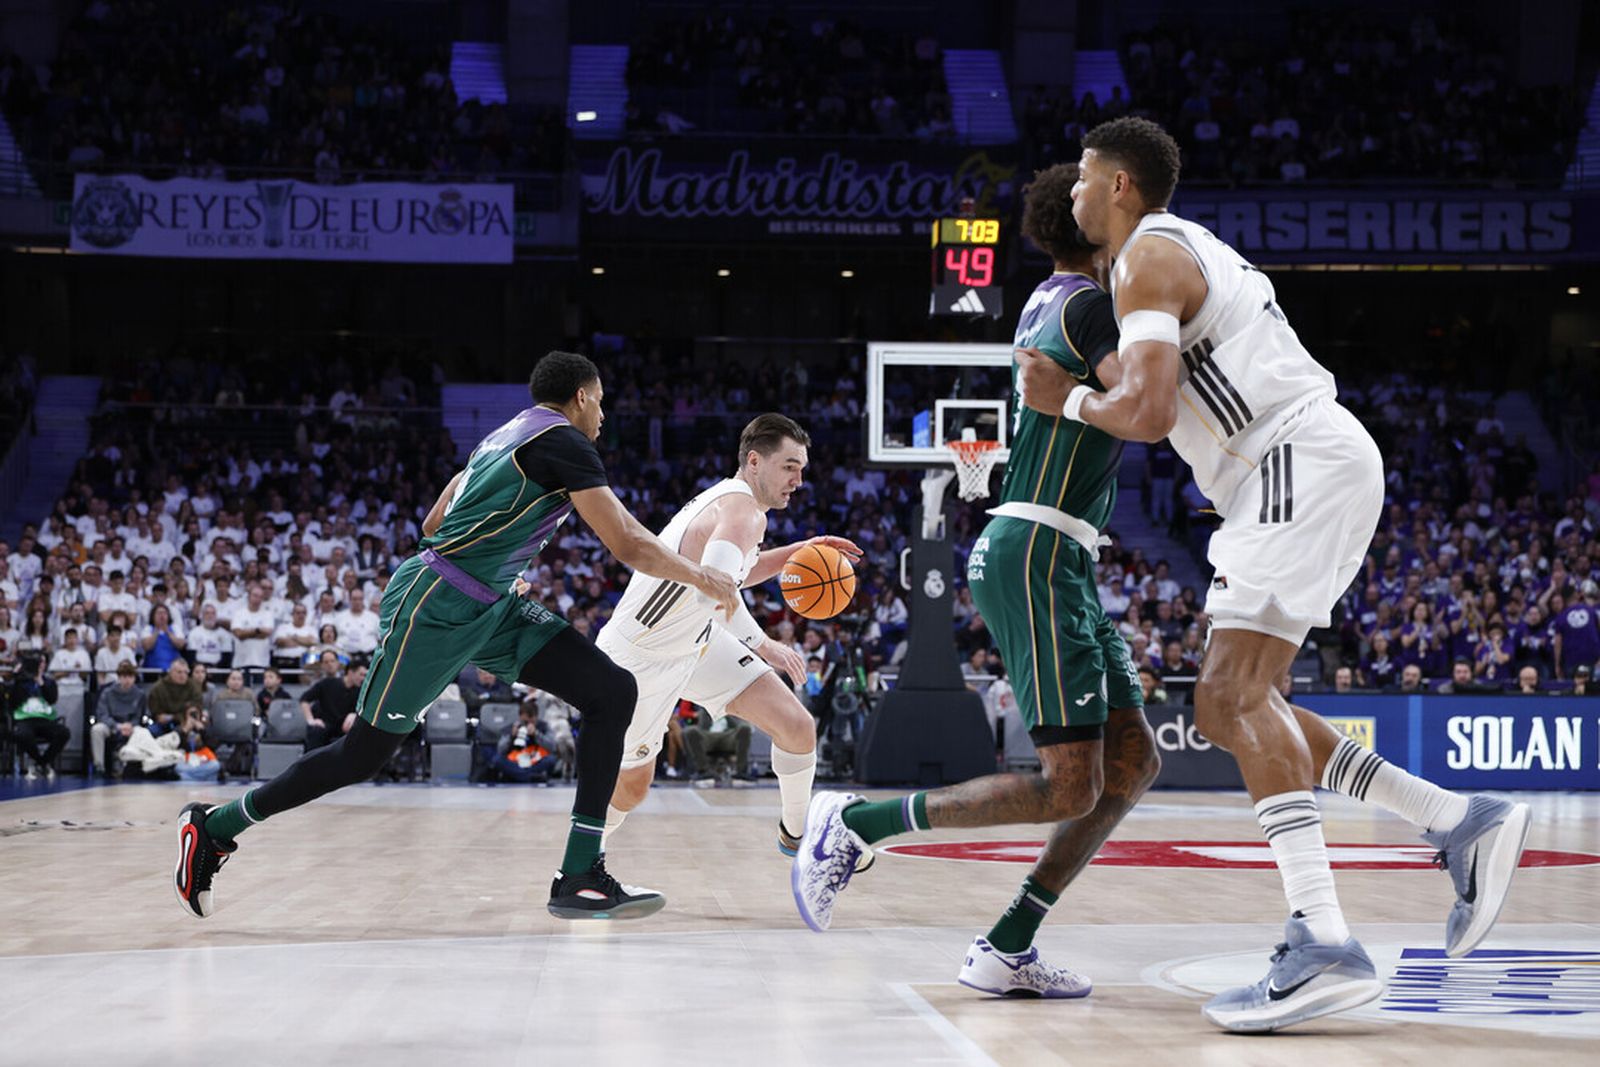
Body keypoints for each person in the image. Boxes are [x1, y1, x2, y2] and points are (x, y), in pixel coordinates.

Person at [1013, 116, 1528, 1031]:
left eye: (1087, 178)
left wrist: (1068, 398)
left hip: (1288, 460)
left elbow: (1147, 405)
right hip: (1297, 466)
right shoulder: (1171, 253)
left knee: (1227, 702)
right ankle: (1455, 818)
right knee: (1254, 702)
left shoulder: (1145, 258)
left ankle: (1323, 938)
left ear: (1121, 185)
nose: (1077, 191)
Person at [175, 351, 739, 922]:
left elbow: (433, 520)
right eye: (602, 403)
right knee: (361, 755)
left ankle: (579, 874)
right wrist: (703, 576)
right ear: (583, 397)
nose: (604, 417)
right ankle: (215, 827)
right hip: (436, 606)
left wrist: (499, 563)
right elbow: (628, 543)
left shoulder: (503, 436)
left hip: (488, 603)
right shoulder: (567, 443)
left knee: (611, 691)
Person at [795, 165, 1161, 1003]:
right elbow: (1142, 408)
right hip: (1036, 543)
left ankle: (1009, 943)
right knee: (1069, 781)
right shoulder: (1087, 305)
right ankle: (858, 823)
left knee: (1131, 762)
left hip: (1059, 549)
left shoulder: (1050, 299)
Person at [598, 414, 858, 863]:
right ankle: (583, 860)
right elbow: (715, 594)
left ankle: (799, 839)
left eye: (802, 469)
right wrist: (765, 646)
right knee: (633, 785)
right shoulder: (742, 512)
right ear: (755, 461)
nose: (798, 480)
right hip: (642, 657)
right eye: (789, 466)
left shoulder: (734, 504)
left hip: (693, 642)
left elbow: (734, 573)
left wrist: (798, 551)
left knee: (797, 727)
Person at [7, 652, 68, 780]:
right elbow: (12, 702)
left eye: (42, 662)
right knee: (22, 734)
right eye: (37, 662)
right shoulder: (20, 682)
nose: (39, 665)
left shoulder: (49, 682)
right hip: (24, 718)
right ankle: (42, 764)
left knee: (63, 732)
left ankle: (40, 763)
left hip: (44, 719)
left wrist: (40, 682)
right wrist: (17, 678)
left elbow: (52, 699)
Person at [92, 661, 147, 775]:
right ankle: (99, 766)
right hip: (111, 725)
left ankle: (142, 766)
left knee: (143, 731)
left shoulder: (140, 694)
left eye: (130, 676)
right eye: (124, 676)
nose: (127, 680)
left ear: (134, 678)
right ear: (119, 677)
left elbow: (139, 715)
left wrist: (131, 725)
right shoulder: (107, 693)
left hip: (131, 726)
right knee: (97, 730)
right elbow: (102, 714)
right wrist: (117, 726)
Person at [680, 706, 754, 785]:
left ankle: (741, 771)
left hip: (727, 735)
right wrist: (709, 711)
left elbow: (736, 725)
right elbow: (702, 726)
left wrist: (725, 712)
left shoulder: (731, 708)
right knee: (691, 731)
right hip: (708, 735)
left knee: (745, 728)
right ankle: (703, 771)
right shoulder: (705, 708)